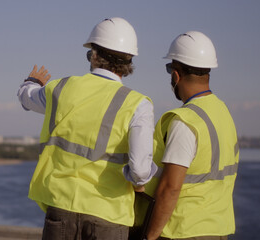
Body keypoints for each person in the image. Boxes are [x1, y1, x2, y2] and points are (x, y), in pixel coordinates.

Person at [17, 17, 157, 240]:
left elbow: (26, 97)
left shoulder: (61, 88)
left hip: (60, 208)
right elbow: (140, 172)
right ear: (129, 60)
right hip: (109, 215)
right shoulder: (138, 105)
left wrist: (31, 81)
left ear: (94, 55)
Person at [144, 31, 239, 240]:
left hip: (184, 231)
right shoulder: (223, 113)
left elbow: (170, 188)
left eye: (170, 69)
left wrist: (149, 236)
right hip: (218, 230)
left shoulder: (186, 121)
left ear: (176, 75)